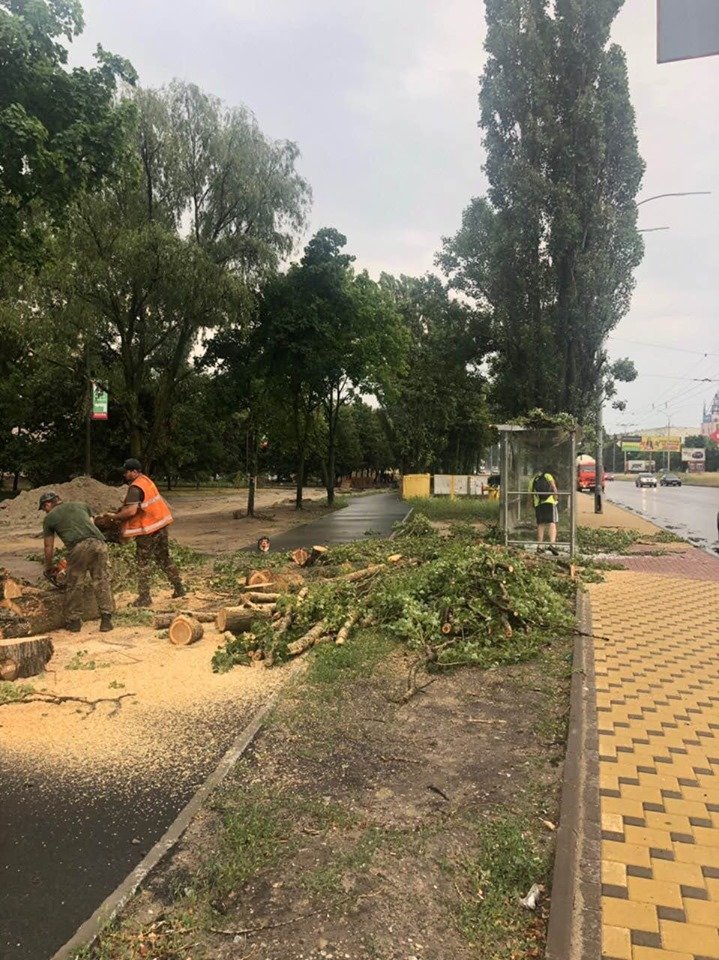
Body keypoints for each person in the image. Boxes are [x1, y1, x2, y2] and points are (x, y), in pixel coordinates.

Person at [109, 459, 186, 608]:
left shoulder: (135, 487)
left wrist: (114, 516)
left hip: (148, 530)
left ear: (134, 472)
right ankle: (179, 587)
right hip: (161, 525)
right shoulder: (146, 481)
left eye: (126, 472)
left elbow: (131, 511)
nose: (124, 474)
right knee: (164, 558)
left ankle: (144, 597)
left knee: (142, 562)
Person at [39, 492, 114, 632]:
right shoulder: (81, 505)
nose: (45, 512)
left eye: (44, 509)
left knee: (74, 583)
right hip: (99, 543)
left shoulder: (50, 518)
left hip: (79, 546)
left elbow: (48, 546)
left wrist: (48, 566)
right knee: (101, 580)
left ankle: (74, 621)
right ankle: (106, 619)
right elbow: (91, 525)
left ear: (47, 504)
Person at [529, 470, 559, 550]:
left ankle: (540, 546)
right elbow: (554, 487)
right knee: (552, 523)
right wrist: (556, 498)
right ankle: (552, 544)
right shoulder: (548, 475)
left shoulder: (532, 480)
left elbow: (530, 496)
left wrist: (528, 507)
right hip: (550, 502)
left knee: (540, 524)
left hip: (538, 504)